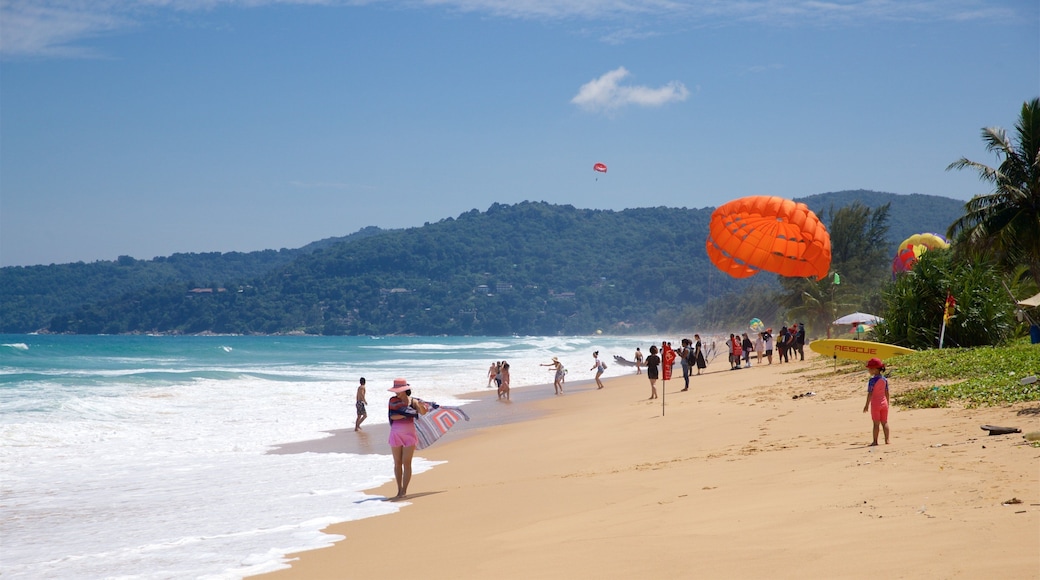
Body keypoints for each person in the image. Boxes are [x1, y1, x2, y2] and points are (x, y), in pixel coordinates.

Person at [387, 378, 427, 499]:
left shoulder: (413, 401)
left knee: (407, 463)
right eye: (396, 390)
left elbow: (423, 413)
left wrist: (420, 406)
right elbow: (393, 416)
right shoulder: (393, 401)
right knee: (397, 463)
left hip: (409, 434)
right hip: (396, 434)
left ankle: (404, 490)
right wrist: (407, 414)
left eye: (398, 390)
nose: (396, 393)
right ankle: (399, 489)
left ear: (405, 390)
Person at [862, 358, 891, 446]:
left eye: (870, 369)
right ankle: (887, 440)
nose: (869, 370)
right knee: (884, 422)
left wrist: (866, 405)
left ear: (874, 369)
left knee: (876, 424)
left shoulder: (872, 380)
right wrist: (887, 402)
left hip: (875, 404)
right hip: (884, 403)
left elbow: (870, 393)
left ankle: (875, 441)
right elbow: (887, 392)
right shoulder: (884, 379)